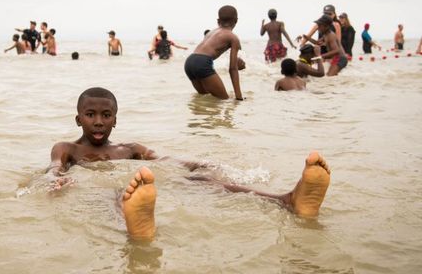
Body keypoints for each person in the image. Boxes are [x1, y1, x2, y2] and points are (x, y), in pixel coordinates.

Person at [48, 87, 331, 240]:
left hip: (146, 183)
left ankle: (286, 200)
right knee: (112, 195)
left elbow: (166, 161)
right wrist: (56, 180)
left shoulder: (129, 149)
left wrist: (198, 164)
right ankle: (135, 229)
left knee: (203, 183)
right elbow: (53, 169)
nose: (98, 121)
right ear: (78, 119)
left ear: (116, 119)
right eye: (90, 114)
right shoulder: (68, 149)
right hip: (106, 187)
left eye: (106, 115)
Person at [184, 5, 244, 100]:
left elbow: (211, 49)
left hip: (189, 62)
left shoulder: (210, 32)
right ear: (236, 20)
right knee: (223, 100)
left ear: (218, 21)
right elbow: (232, 69)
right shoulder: (233, 37)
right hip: (202, 63)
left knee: (205, 98)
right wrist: (239, 97)